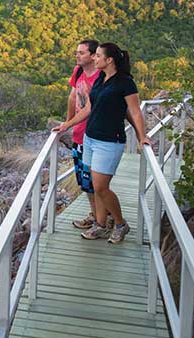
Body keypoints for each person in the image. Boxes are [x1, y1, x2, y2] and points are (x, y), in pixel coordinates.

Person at [56, 43, 151, 244]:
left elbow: (134, 111)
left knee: (100, 187)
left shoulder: (125, 82)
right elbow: (89, 108)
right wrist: (68, 124)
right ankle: (99, 225)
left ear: (109, 60)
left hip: (109, 141)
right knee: (96, 186)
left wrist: (142, 136)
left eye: (98, 56)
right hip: (90, 138)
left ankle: (120, 223)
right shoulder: (101, 78)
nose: (95, 59)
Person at [59, 39, 109, 232]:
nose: (77, 55)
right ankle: (95, 215)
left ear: (93, 55)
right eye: (77, 52)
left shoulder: (102, 76)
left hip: (97, 136)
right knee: (85, 182)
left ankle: (102, 221)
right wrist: (68, 123)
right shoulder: (78, 71)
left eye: (81, 53)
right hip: (79, 135)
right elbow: (72, 96)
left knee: (98, 184)